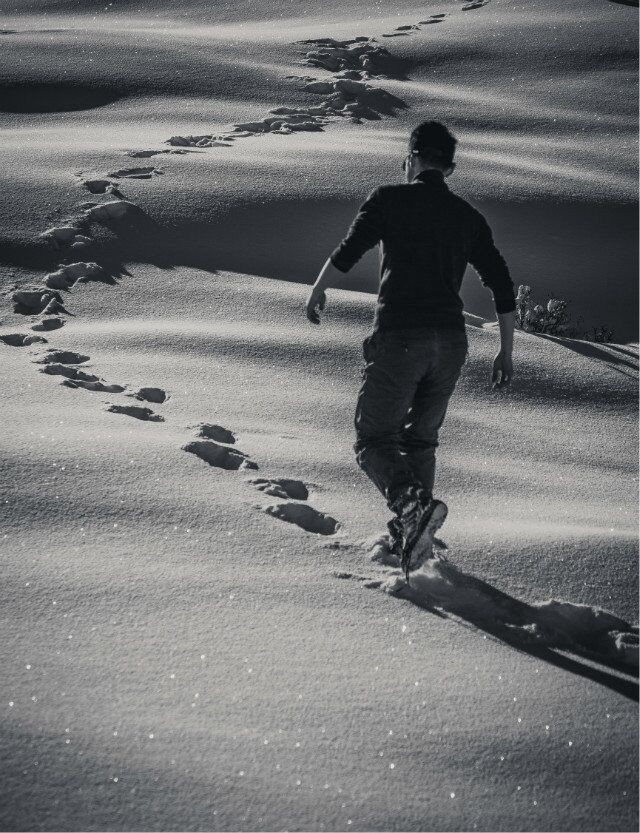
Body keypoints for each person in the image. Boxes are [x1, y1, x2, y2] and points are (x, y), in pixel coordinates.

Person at [305, 121, 516, 580]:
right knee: (420, 440)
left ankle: (411, 508)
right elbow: (500, 282)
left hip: (402, 336)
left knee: (373, 439)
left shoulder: (387, 199)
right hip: (450, 344)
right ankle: (412, 539)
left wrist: (318, 289)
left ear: (413, 157)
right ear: (449, 165)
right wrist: (506, 349)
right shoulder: (469, 218)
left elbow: (349, 250)